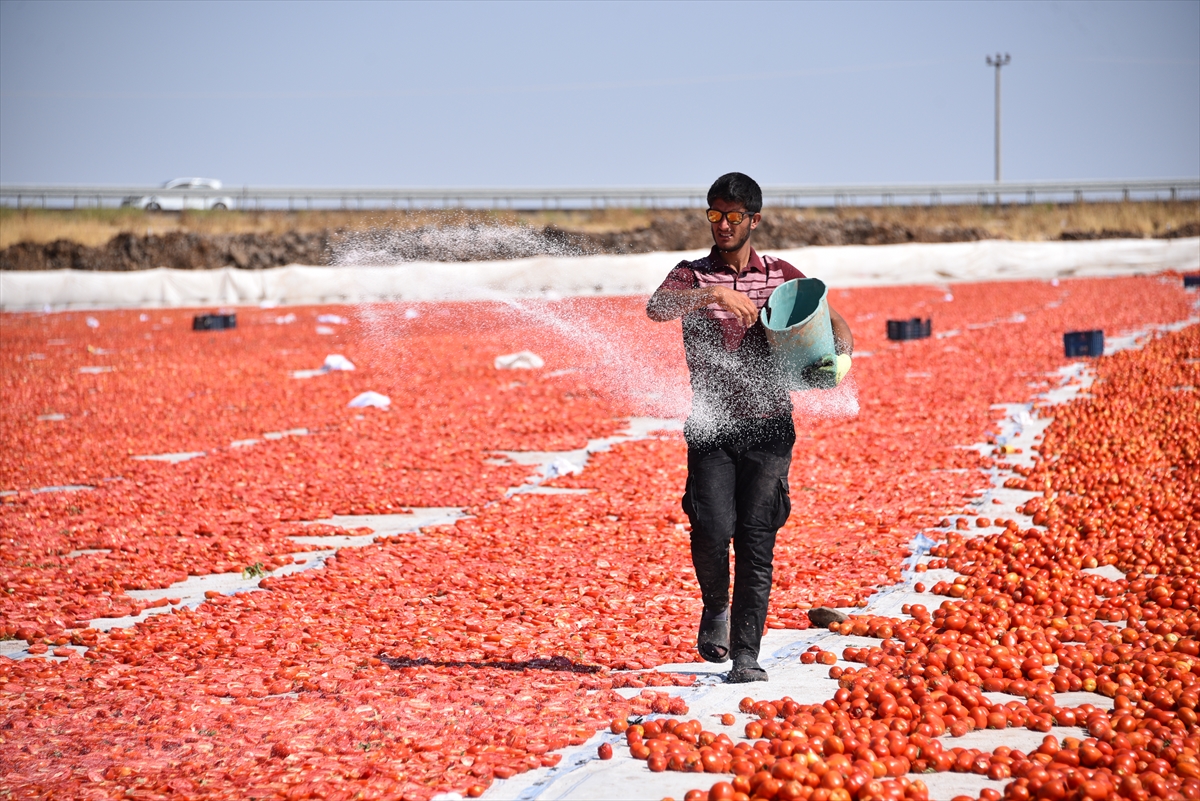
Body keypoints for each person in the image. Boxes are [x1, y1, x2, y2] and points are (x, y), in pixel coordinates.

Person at [646, 172, 854, 683]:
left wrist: (840, 356)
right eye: (715, 215)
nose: (723, 225)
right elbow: (657, 308)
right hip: (712, 426)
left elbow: (834, 321)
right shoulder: (692, 275)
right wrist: (711, 295)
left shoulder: (781, 274)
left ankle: (746, 654)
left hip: (770, 427)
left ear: (754, 220)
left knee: (757, 539)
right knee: (712, 528)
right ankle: (715, 606)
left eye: (734, 216)